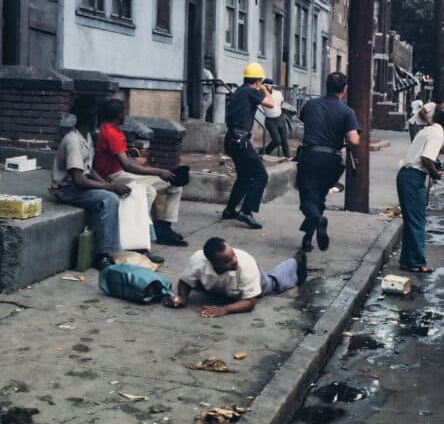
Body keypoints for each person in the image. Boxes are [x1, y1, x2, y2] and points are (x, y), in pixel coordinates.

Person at [50, 96, 130, 271]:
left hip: (77, 185)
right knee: (109, 199)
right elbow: (78, 179)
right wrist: (110, 187)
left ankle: (114, 249)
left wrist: (108, 184)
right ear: (92, 119)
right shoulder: (73, 140)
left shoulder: (86, 137)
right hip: (66, 189)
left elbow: (89, 170)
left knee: (113, 195)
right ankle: (103, 255)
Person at [94, 99, 187, 247]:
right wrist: (158, 171)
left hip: (121, 173)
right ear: (119, 114)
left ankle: (164, 229)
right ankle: (143, 230)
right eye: (124, 112)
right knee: (150, 190)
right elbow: (127, 167)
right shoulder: (111, 133)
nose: (125, 115)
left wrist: (136, 160)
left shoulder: (110, 129)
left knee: (175, 186)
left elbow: (121, 159)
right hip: (115, 177)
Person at [297, 72, 360, 252]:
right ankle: (307, 240)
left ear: (326, 86)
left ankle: (317, 221)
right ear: (345, 89)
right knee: (319, 198)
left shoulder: (310, 105)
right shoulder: (347, 112)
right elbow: (354, 140)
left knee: (307, 200)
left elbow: (304, 122)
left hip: (309, 155)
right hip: (332, 159)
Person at [167, 237, 307, 318]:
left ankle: (295, 262)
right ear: (213, 262)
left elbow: (250, 302)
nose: (234, 260)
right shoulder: (198, 260)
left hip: (245, 284)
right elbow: (185, 282)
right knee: (196, 282)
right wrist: (182, 297)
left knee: (273, 283)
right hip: (220, 287)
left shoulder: (246, 264)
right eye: (227, 260)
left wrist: (224, 309)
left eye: (233, 255)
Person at [396, 110, 444, 273]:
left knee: (411, 221)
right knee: (417, 220)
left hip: (405, 175)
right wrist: (436, 174)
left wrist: (443, 150)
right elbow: (426, 158)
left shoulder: (428, 130)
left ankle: (407, 261)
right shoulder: (438, 133)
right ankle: (417, 262)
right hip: (413, 177)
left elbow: (424, 151)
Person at [223, 63, 273, 229]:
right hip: (241, 140)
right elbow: (271, 104)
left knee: (244, 176)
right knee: (261, 175)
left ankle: (230, 210)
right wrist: (265, 90)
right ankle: (246, 211)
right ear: (258, 81)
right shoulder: (251, 91)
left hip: (232, 138)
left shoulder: (240, 91)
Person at [260, 80, 290, 159]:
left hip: (280, 118)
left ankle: (288, 158)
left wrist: (284, 114)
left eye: (269, 86)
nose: (268, 87)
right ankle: (264, 152)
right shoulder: (260, 95)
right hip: (270, 120)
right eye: (265, 86)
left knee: (284, 141)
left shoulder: (278, 93)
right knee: (277, 140)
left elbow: (282, 103)